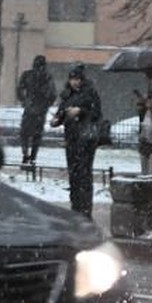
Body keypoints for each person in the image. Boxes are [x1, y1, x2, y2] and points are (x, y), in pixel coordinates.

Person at [49, 63, 102, 219]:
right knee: (74, 175)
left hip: (86, 140)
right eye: (72, 79)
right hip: (71, 139)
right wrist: (57, 119)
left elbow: (96, 113)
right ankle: (76, 208)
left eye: (77, 79)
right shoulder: (67, 95)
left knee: (84, 175)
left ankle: (85, 211)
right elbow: (61, 113)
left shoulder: (90, 93)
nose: (75, 82)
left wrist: (81, 111)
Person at [16, 54, 56, 166]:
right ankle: (33, 157)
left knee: (24, 134)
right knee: (36, 136)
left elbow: (19, 89)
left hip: (29, 109)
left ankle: (25, 155)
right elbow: (53, 94)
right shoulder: (47, 76)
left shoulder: (27, 75)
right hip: (41, 111)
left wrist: (24, 101)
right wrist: (46, 105)